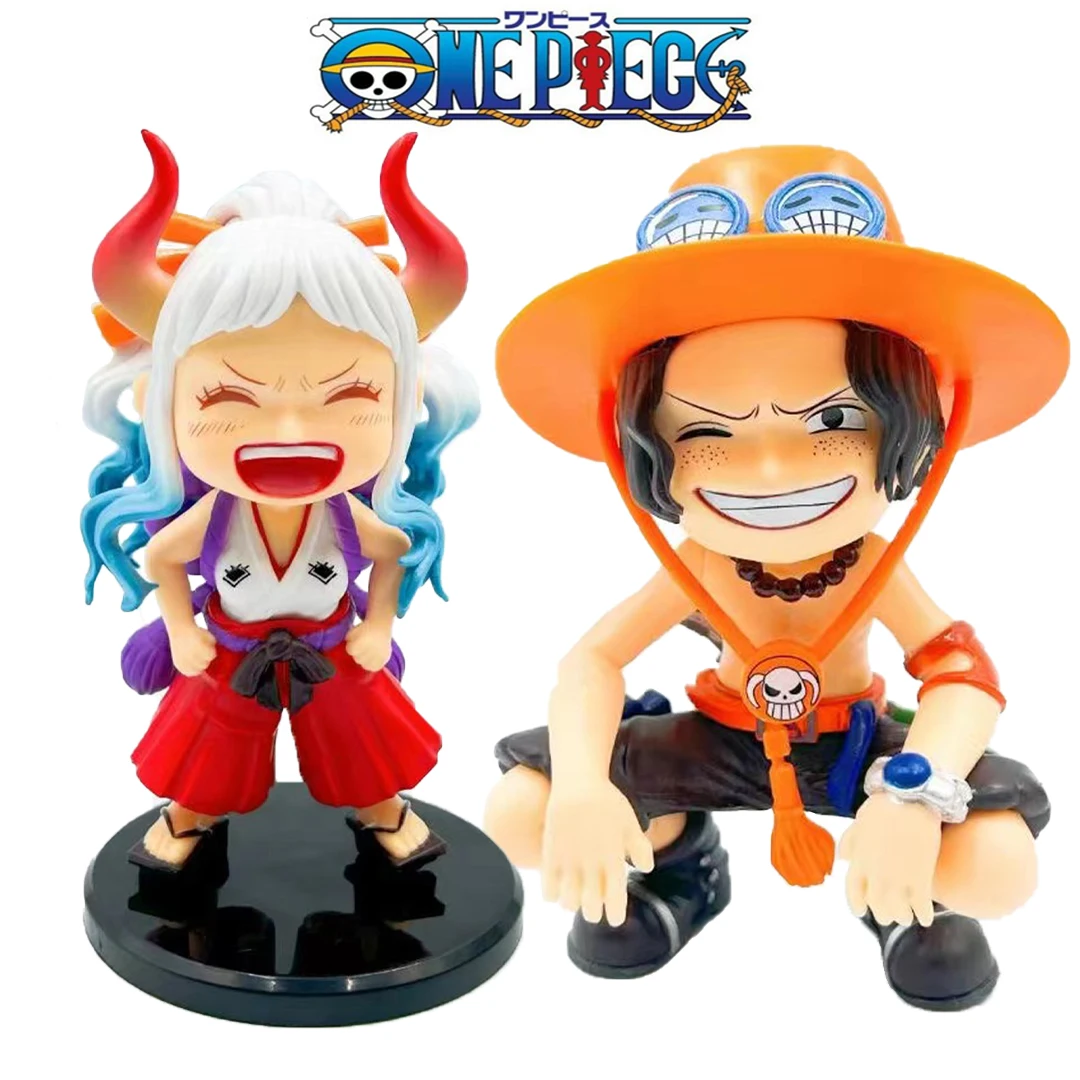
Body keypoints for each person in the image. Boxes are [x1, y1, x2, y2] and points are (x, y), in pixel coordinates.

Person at [485, 146, 1067, 1009]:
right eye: (705, 433)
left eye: (831, 421)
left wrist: (917, 793)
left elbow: (958, 670)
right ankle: (677, 864)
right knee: (521, 812)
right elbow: (593, 662)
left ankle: (909, 901)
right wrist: (579, 787)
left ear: (907, 427)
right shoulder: (702, 562)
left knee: (997, 862)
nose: (768, 470)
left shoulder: (871, 564)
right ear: (648, 445)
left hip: (849, 747)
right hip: (722, 737)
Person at [82, 131, 478, 872]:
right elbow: (162, 558)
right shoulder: (219, 515)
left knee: (363, 742)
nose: (291, 435)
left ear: (403, 400)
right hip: (231, 648)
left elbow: (394, 552)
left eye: (349, 395)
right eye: (229, 398)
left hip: (333, 647)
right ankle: (190, 817)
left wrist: (378, 625)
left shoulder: (344, 514)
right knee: (207, 749)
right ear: (163, 402)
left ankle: (382, 810)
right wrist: (180, 630)